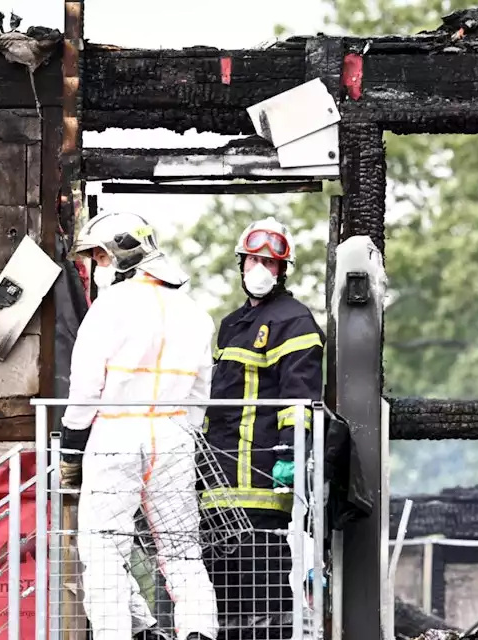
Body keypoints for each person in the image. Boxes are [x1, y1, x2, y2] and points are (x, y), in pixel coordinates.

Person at [61, 212, 218, 640]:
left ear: (118, 253)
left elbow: (86, 387)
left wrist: (72, 444)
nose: (98, 265)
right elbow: (199, 394)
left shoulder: (110, 307)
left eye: (99, 256)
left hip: (116, 433)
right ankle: (197, 633)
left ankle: (120, 634)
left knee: (104, 548)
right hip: (173, 437)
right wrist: (183, 433)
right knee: (182, 552)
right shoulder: (196, 314)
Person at [201, 217, 325, 639]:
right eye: (254, 259)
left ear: (282, 270)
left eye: (270, 264)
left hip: (262, 491)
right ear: (241, 263)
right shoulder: (231, 325)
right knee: (221, 606)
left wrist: (290, 456)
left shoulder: (296, 321)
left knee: (263, 605)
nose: (260, 269)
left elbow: (300, 399)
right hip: (216, 489)